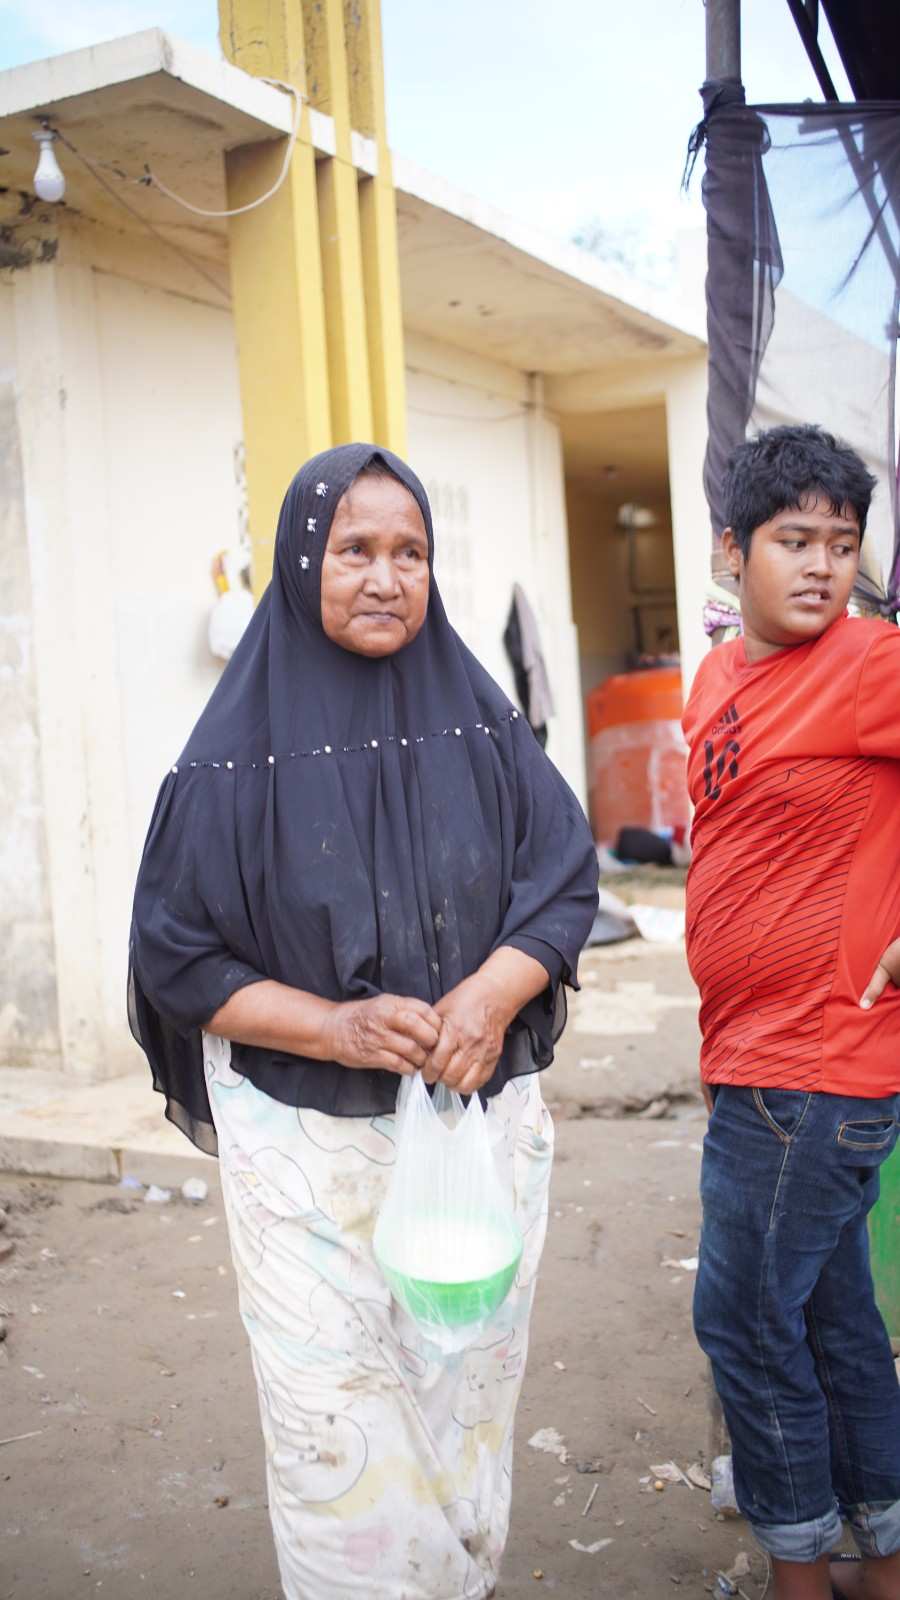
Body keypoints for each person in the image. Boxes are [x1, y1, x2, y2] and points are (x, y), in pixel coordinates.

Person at [129, 443, 598, 1600]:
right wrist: (334, 1029)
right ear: (303, 561)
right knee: (334, 1423)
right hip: (307, 1157)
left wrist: (491, 995)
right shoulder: (229, 759)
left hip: (473, 1135)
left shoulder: (483, 724)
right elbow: (177, 952)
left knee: (464, 1403)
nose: (386, 577)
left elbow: (562, 875)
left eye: (410, 552)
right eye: (354, 551)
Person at [684, 424, 900, 1600]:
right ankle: (882, 1565)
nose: (822, 565)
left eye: (842, 543)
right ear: (734, 550)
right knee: (833, 1322)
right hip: (757, 1062)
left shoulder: (868, 662)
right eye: (794, 540)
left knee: (745, 1325)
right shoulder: (719, 677)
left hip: (815, 1067)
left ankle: (799, 1579)